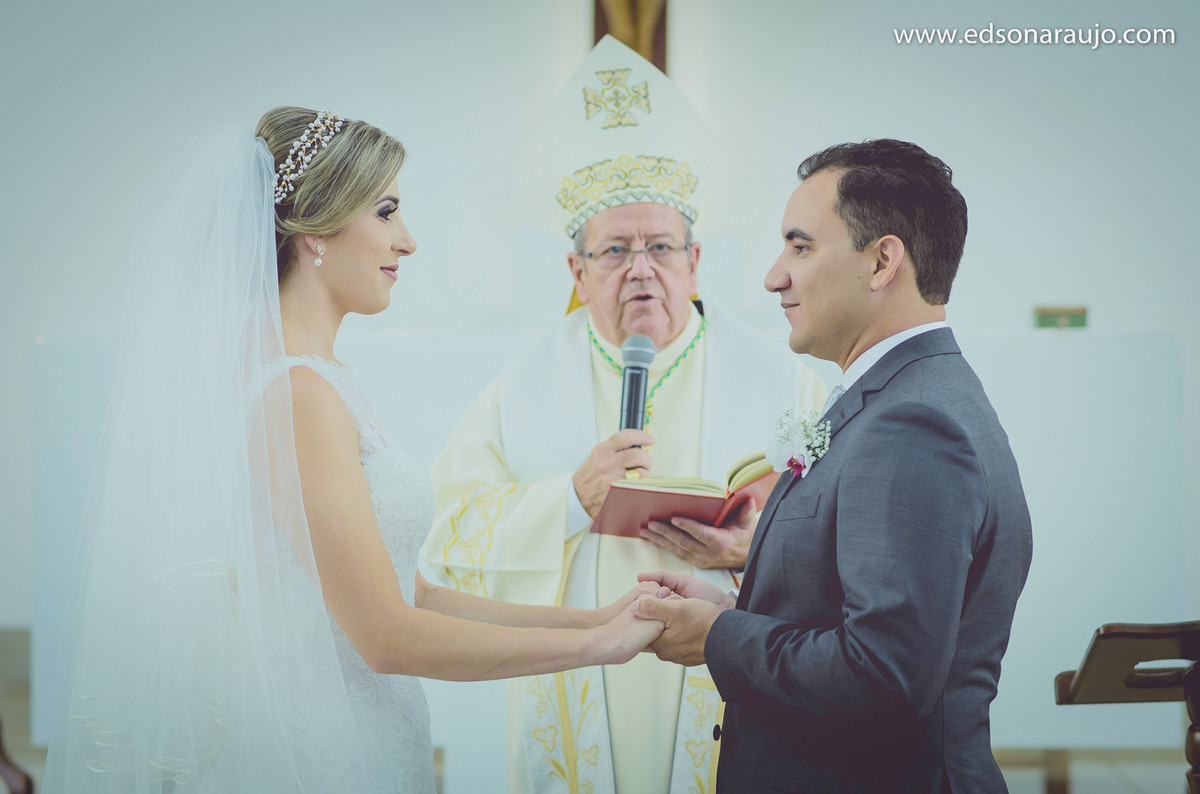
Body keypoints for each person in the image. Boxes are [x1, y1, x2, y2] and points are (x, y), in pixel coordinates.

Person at [42, 107, 666, 794]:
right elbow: (385, 635)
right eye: (386, 211)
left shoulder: (318, 378)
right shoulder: (297, 393)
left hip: (363, 734)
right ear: (316, 229)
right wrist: (596, 648)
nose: (408, 241)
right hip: (320, 754)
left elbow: (411, 592)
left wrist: (596, 617)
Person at [419, 36, 826, 794]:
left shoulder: (782, 380)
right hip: (578, 675)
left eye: (661, 247)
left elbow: (840, 542)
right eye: (614, 252)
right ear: (577, 272)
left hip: (727, 669)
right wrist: (568, 501)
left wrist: (750, 549)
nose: (640, 269)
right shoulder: (522, 387)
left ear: (694, 263)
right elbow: (444, 539)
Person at [634, 139, 1034, 793]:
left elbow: (883, 673)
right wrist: (739, 596)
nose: (774, 277)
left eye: (800, 247)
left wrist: (719, 637)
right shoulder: (903, 394)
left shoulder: (914, 423)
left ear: (881, 261)